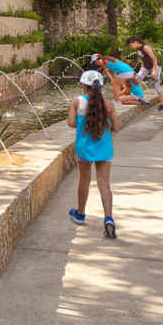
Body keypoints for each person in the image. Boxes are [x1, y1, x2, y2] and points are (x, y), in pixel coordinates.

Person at [67, 69, 119, 237]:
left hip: (84, 148)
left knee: (84, 180)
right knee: (104, 184)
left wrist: (84, 124)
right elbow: (116, 128)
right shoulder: (108, 104)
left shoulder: (77, 102)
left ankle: (80, 214)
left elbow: (70, 123)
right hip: (104, 148)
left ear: (84, 86)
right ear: (101, 87)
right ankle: (109, 218)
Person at [126, 36, 163, 111]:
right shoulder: (139, 48)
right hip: (146, 67)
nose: (130, 46)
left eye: (130, 44)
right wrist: (142, 67)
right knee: (136, 80)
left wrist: (154, 70)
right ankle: (139, 97)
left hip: (155, 66)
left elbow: (154, 58)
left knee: (156, 85)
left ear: (135, 42)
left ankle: (162, 105)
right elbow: (144, 59)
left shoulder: (146, 47)